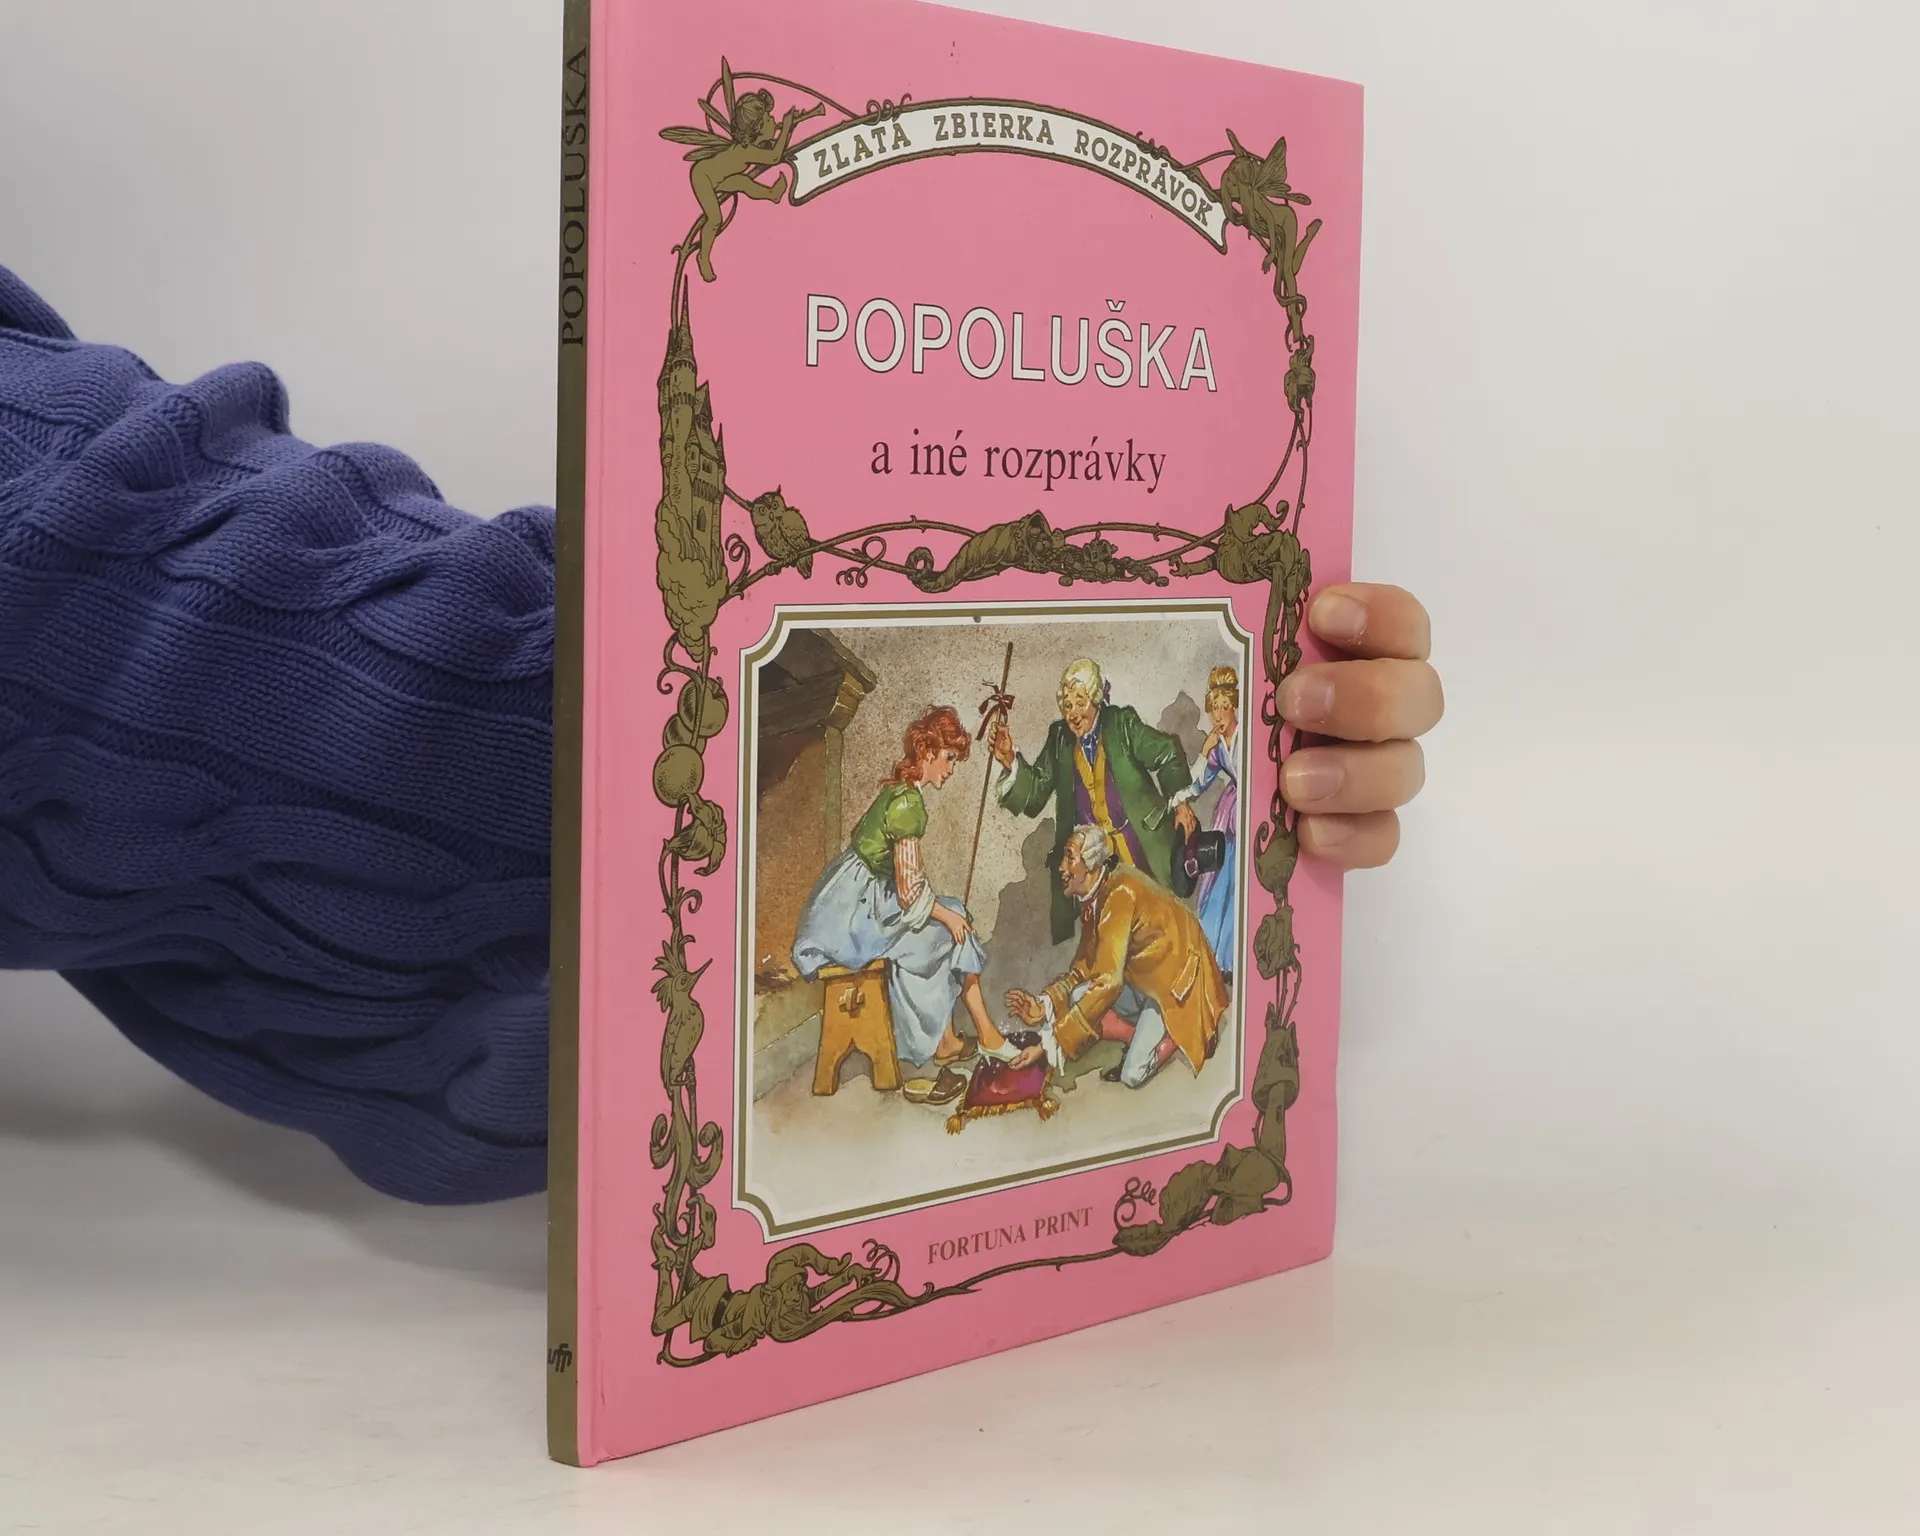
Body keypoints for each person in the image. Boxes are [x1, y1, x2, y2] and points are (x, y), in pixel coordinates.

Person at [0, 262, 1444, 1201]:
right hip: (791, 890)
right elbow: (143, 625)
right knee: (929, 962)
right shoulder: (924, 798)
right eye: (974, 743)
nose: (1063, 719)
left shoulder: (1109, 763)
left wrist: (1260, 727)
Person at [790, 706, 1040, 1076]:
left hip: (858, 903)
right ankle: (978, 1035)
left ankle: (952, 1040)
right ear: (927, 752)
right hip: (851, 918)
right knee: (952, 928)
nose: (951, 768)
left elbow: (905, 882)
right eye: (949, 758)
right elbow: (909, 893)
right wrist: (948, 916)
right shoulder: (907, 803)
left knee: (953, 919)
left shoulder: (900, 793)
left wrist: (948, 913)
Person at [989, 656, 1202, 946]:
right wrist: (1009, 759)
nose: (1073, 714)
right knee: (1112, 937)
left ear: (1096, 700)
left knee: (1160, 925)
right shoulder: (1060, 739)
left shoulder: (1121, 724)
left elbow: (1168, 752)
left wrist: (1180, 804)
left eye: (1080, 702)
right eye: (1067, 706)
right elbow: (1035, 794)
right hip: (1099, 862)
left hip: (1141, 844)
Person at [1006, 823, 1228, 1090]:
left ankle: (1177, 1037)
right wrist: (1045, 1004)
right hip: (1147, 977)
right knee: (1079, 995)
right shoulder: (1098, 893)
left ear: (1090, 865)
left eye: (1069, 858)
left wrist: (1046, 1044)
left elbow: (1108, 982)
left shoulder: (1119, 895)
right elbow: (1085, 968)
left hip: (1173, 983)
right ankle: (1139, 1039)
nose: (1062, 868)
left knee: (1132, 1074)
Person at [1193, 665, 1241, 979]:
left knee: (1239, 886)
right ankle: (1215, 959)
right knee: (1219, 884)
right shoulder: (1218, 745)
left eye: (1225, 707)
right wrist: (1204, 752)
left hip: (1250, 811)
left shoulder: (1246, 736)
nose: (1220, 715)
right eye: (1215, 709)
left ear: (1234, 707)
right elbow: (1198, 783)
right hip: (1229, 818)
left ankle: (1234, 960)